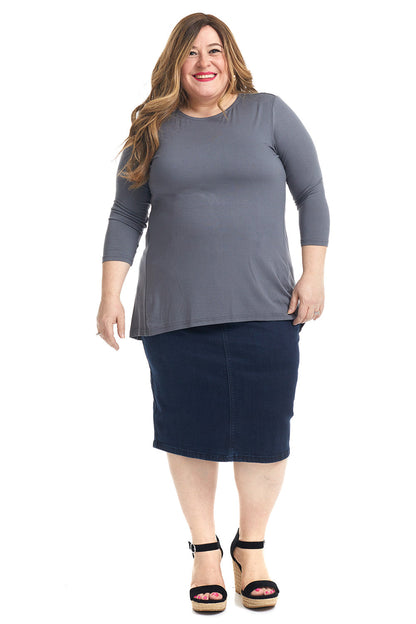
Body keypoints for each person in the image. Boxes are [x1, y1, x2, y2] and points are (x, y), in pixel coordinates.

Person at [96, 12, 329, 613]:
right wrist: (110, 293)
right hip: (176, 310)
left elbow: (311, 194)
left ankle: (250, 548)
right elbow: (126, 215)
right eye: (192, 52)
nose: (204, 62)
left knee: (265, 433)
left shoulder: (268, 113)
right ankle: (204, 550)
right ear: (175, 62)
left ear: (231, 58)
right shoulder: (152, 129)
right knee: (189, 431)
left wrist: (314, 274)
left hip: (267, 305)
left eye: (215, 50)